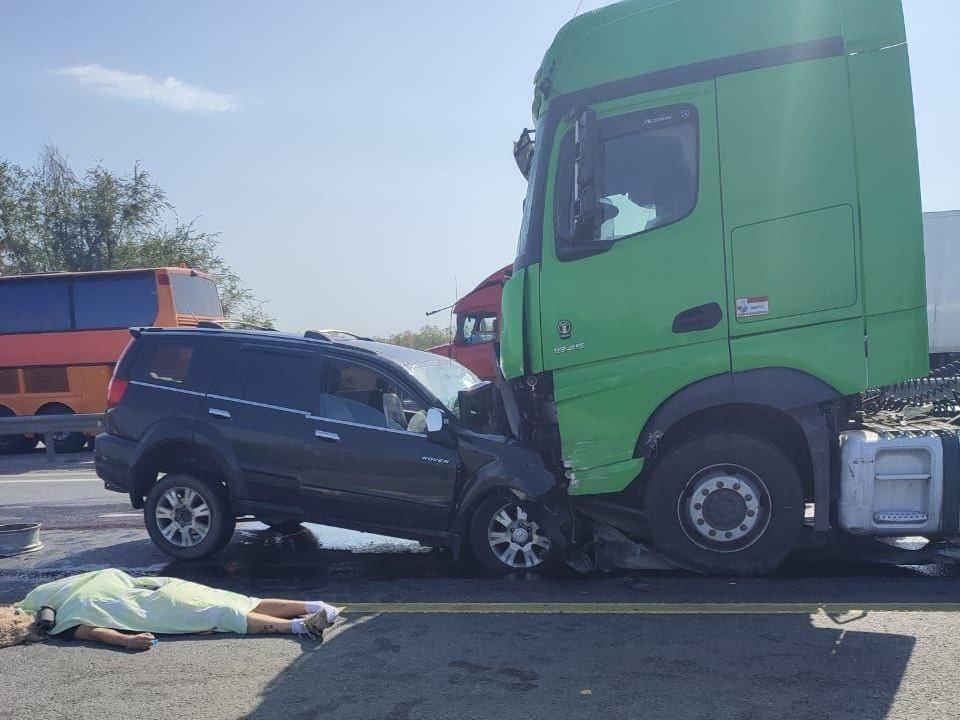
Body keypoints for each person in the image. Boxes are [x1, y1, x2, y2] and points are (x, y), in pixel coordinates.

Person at [0, 568, 343, 651]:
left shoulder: (52, 616)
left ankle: (303, 622)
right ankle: (311, 613)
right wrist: (127, 641)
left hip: (150, 600)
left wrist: (126, 642)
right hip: (152, 588)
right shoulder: (44, 598)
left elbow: (92, 631)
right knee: (230, 603)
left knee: (222, 610)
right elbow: (94, 629)